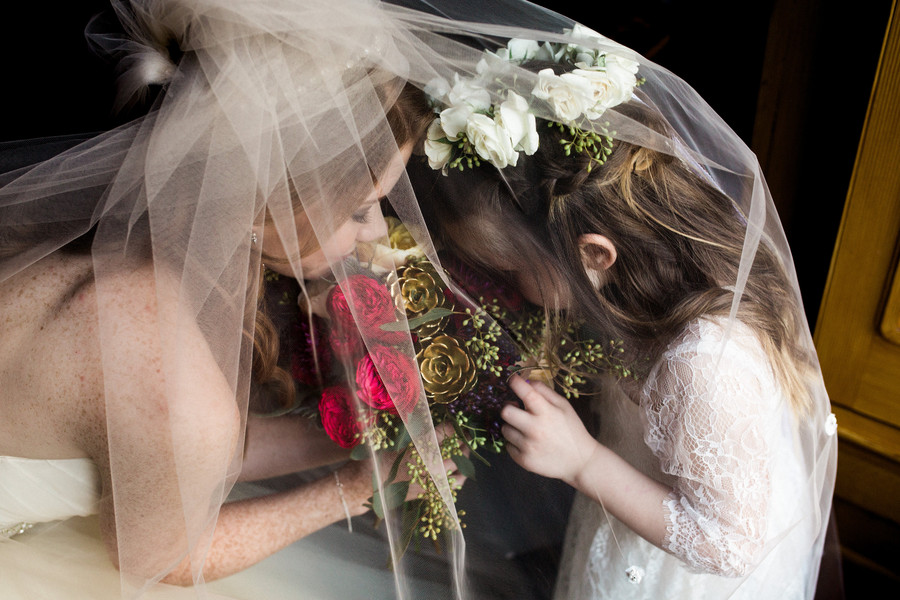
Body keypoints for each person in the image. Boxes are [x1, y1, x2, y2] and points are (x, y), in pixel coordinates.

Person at [0, 1, 455, 598]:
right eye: (358, 209)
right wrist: (353, 491)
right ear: (272, 199)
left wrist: (352, 438)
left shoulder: (99, 234)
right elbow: (158, 557)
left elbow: (161, 453)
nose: (374, 233)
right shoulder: (175, 378)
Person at [412, 23, 837, 600]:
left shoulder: (704, 363)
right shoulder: (638, 292)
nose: (502, 284)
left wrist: (583, 461)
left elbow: (731, 546)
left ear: (593, 255)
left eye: (511, 271)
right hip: (631, 525)